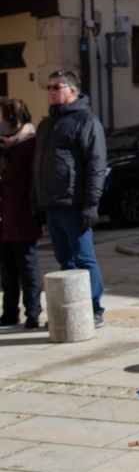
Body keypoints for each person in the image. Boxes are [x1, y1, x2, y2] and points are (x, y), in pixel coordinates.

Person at [32, 69, 107, 327]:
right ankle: (70, 308)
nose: (51, 91)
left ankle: (95, 307)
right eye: (49, 87)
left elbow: (96, 165)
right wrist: (36, 201)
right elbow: (38, 166)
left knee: (84, 258)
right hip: (52, 205)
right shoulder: (46, 125)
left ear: (72, 91)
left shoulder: (86, 121)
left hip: (74, 206)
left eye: (57, 87)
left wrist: (90, 204)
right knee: (65, 259)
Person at [0, 98, 42, 329]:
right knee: (7, 268)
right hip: (5, 213)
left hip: (23, 212)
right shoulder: (3, 144)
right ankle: (9, 313)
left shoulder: (29, 143)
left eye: (7, 118)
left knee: (26, 266)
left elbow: (31, 179)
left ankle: (33, 313)